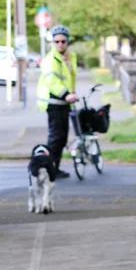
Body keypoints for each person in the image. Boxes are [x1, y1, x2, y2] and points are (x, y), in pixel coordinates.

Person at [36, 25, 78, 179]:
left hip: (65, 103)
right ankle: (49, 169)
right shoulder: (50, 60)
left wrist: (71, 94)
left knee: (62, 138)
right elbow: (52, 81)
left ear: (67, 42)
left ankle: (55, 167)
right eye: (57, 41)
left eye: (63, 41)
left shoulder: (69, 57)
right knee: (55, 138)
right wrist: (66, 94)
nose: (60, 44)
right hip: (54, 102)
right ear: (52, 43)